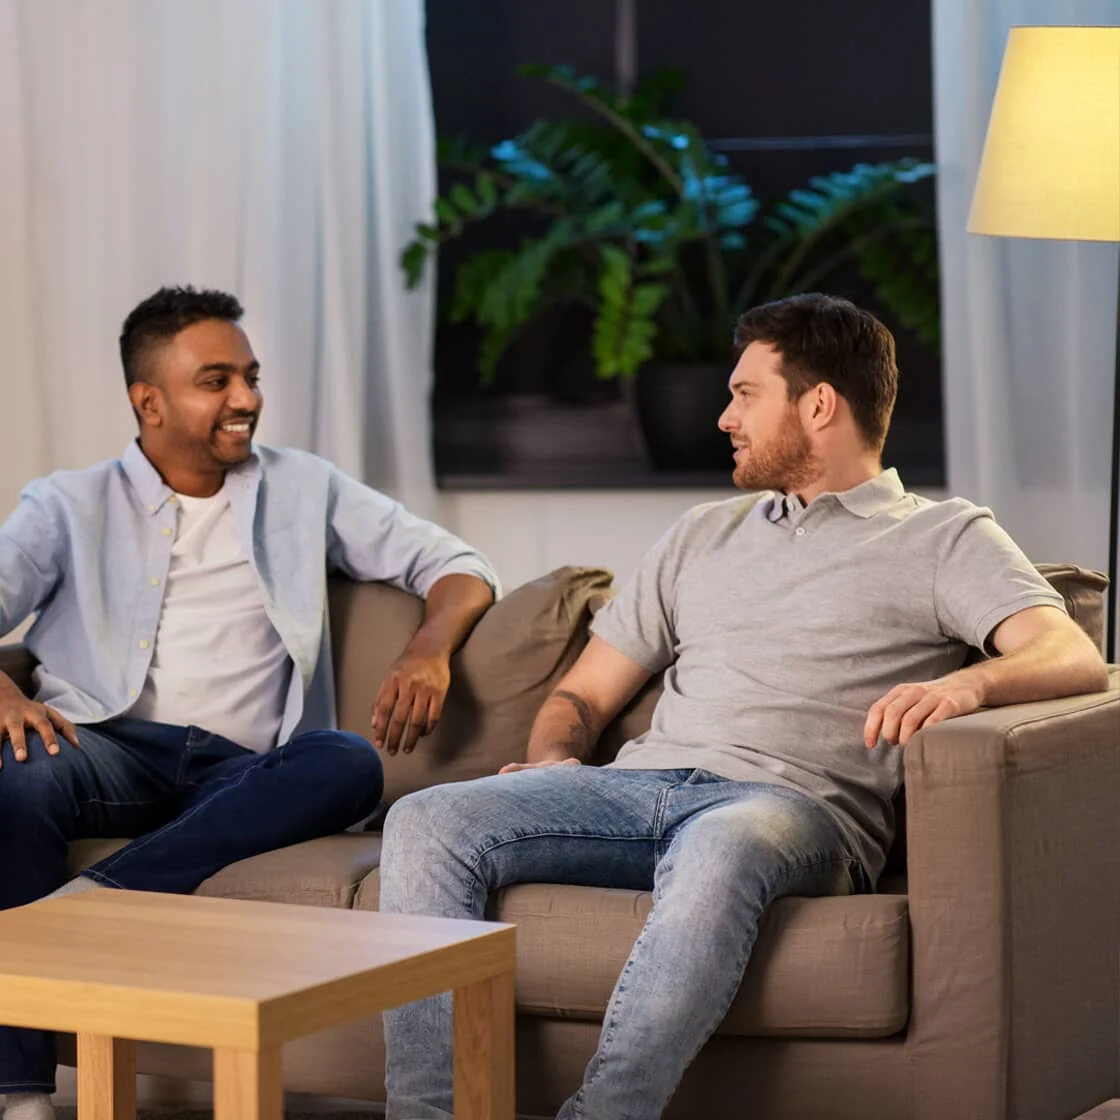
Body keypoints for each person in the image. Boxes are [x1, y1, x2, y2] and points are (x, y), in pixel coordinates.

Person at [378, 293, 1108, 1120]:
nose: (725, 417)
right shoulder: (700, 534)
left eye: (745, 395)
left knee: (722, 841)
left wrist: (963, 684)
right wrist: (553, 760)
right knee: (427, 819)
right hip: (637, 789)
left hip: (791, 811)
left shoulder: (943, 537)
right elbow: (582, 693)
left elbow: (1070, 653)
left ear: (820, 403)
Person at [0, 286, 499, 1120]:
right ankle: (18, 1092)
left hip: (245, 765)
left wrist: (427, 647)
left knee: (345, 761)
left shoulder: (306, 486)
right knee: (21, 776)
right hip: (107, 741)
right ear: (148, 400)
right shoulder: (66, 505)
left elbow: (455, 563)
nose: (247, 400)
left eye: (251, 377)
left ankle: (95, 902)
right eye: (217, 380)